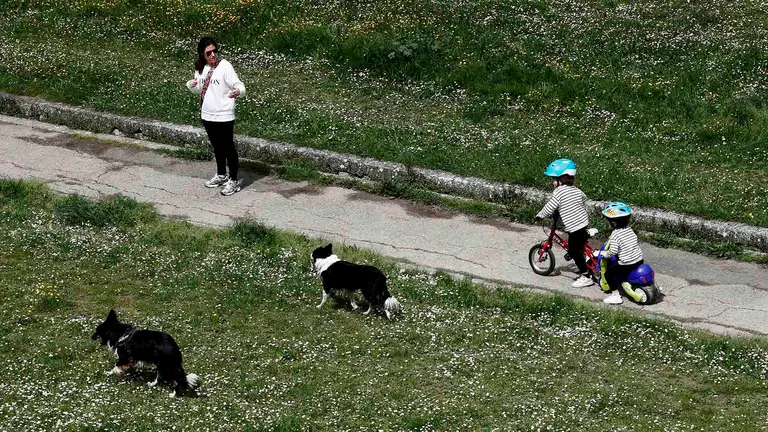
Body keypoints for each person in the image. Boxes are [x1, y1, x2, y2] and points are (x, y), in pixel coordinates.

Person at [186, 37, 246, 196]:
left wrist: (239, 91)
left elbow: (238, 84)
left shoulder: (225, 66)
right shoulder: (200, 67)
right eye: (209, 53)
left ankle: (233, 180)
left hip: (224, 115)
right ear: (202, 54)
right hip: (207, 114)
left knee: (228, 147)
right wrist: (191, 85)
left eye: (215, 51)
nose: (213, 55)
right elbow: (199, 90)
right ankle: (221, 174)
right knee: (217, 146)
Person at [535, 158, 594, 288]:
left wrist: (540, 215)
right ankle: (584, 262)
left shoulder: (559, 192)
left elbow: (550, 207)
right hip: (583, 223)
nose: (552, 182)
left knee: (574, 251)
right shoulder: (576, 190)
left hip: (575, 228)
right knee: (579, 246)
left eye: (553, 179)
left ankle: (586, 276)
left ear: (562, 178)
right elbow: (584, 199)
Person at [598, 202, 645, 305]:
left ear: (613, 222)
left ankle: (615, 296)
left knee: (609, 273)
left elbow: (613, 251)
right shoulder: (630, 229)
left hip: (626, 264)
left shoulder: (615, 234)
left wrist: (605, 254)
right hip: (639, 260)